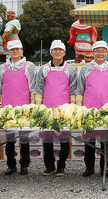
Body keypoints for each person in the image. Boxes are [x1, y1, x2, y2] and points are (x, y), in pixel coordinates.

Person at [76, 40, 108, 178]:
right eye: (98, 51)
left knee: (106, 142)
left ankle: (105, 167)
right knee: (89, 141)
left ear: (107, 53)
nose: (100, 53)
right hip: (89, 109)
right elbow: (80, 89)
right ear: (93, 53)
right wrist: (79, 108)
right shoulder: (85, 69)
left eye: (103, 51)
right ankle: (89, 167)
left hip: (107, 111)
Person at [33, 40, 78, 177]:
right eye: (55, 50)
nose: (58, 52)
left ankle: (61, 165)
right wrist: (38, 106)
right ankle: (49, 165)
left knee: (64, 139)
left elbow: (74, 90)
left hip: (65, 109)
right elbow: (39, 89)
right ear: (51, 52)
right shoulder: (44, 69)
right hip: (47, 109)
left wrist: (73, 107)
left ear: (64, 53)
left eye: (60, 50)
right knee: (47, 139)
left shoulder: (70, 70)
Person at [0, 39, 37, 175]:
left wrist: (33, 106)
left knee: (24, 138)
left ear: (22, 51)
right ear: (9, 52)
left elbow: (33, 89)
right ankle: (11, 164)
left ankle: (24, 164)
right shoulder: (3, 68)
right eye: (12, 50)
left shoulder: (28, 67)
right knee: (10, 138)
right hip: (7, 108)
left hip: (24, 108)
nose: (15, 52)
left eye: (18, 49)